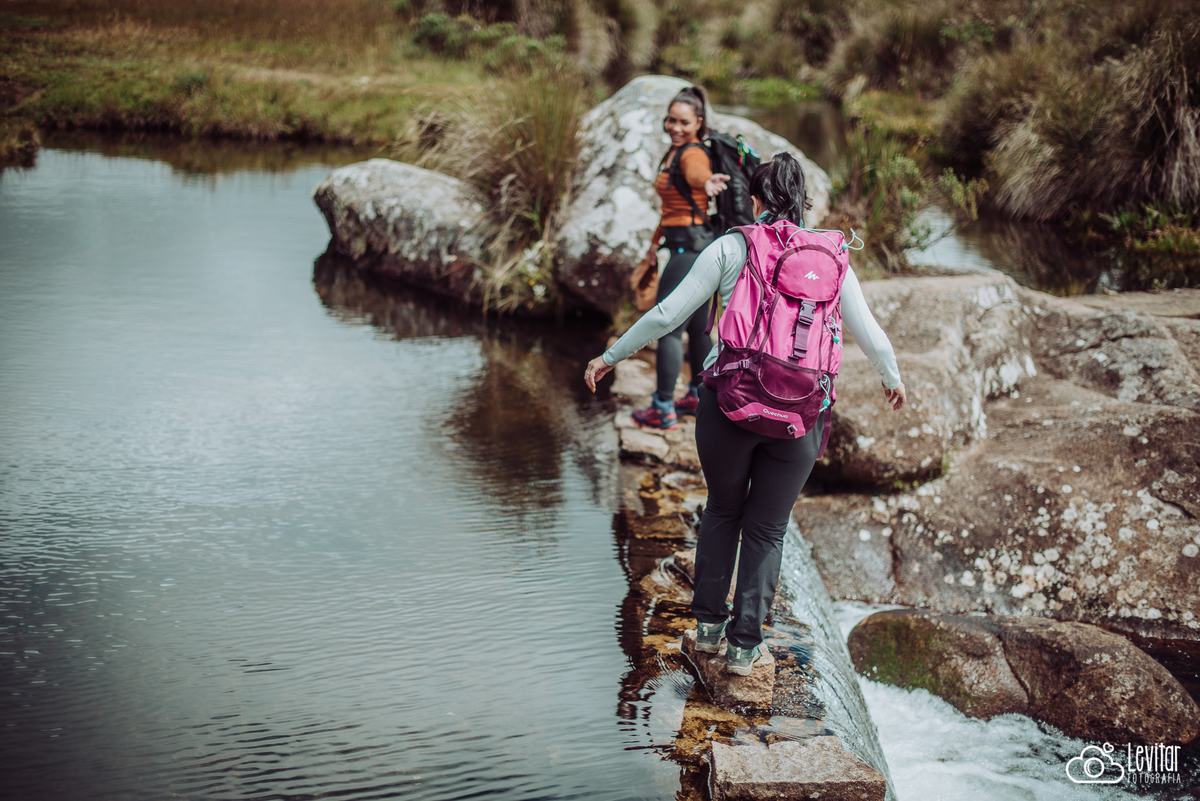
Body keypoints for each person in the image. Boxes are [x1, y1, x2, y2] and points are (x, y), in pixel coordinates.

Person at [584, 153, 907, 676]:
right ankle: (744, 648)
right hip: (801, 415)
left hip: (729, 404)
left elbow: (669, 314)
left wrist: (610, 356)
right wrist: (892, 381)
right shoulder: (833, 257)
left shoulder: (733, 245)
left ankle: (708, 629)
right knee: (768, 529)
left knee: (723, 511)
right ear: (805, 203)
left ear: (754, 199)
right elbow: (871, 334)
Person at [631, 86, 730, 431]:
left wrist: (708, 182)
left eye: (684, 122)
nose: (675, 127)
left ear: (698, 123)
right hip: (690, 245)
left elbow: (696, 175)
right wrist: (654, 242)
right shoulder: (673, 151)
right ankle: (695, 394)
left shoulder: (692, 154)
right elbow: (673, 206)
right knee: (697, 325)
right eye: (671, 120)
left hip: (689, 249)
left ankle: (662, 407)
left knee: (668, 328)